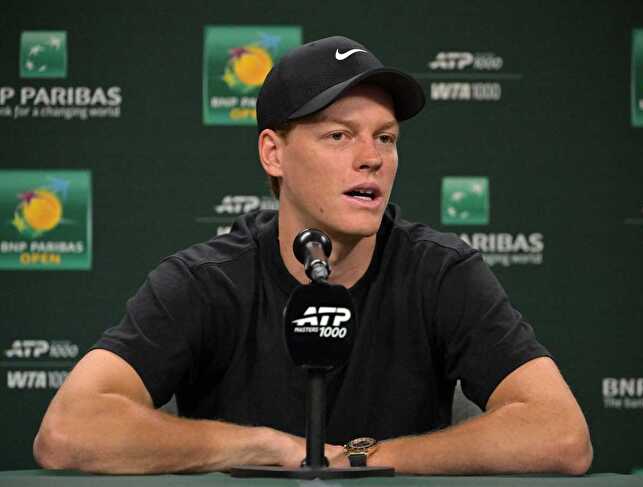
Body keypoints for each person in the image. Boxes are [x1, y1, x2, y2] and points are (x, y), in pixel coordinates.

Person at [33, 36, 593, 475]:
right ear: (273, 153)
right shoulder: (206, 280)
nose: (372, 158)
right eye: (339, 136)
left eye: (386, 137)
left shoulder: (441, 272)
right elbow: (69, 430)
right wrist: (264, 448)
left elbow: (561, 435)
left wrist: (365, 460)